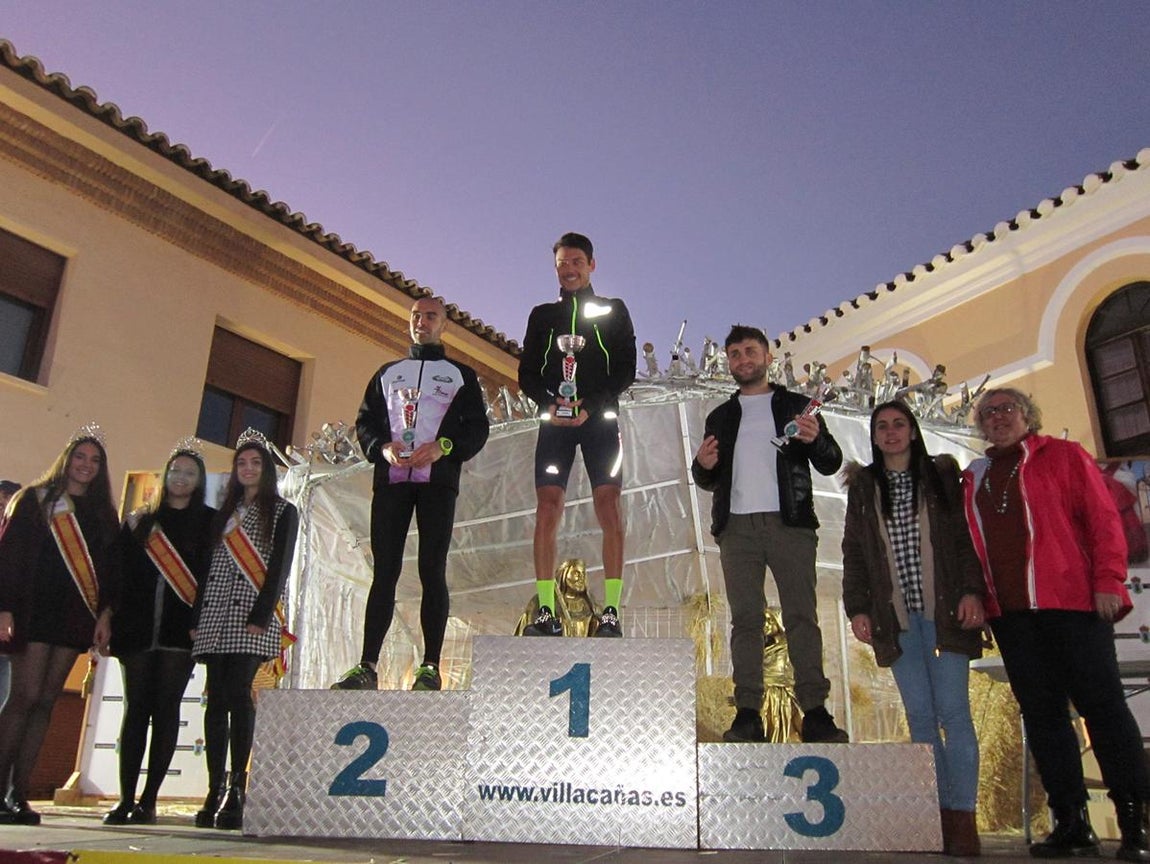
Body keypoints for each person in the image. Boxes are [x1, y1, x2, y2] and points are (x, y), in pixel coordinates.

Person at [964, 388, 1150, 861]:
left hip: (1073, 604)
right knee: (1044, 719)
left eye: (1006, 409)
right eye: (988, 413)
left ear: (1028, 415)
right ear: (980, 426)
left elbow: (1104, 521)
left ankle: (1135, 819)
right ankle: (1071, 820)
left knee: (1103, 709)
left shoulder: (1064, 457)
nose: (998, 417)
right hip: (1012, 615)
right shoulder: (977, 476)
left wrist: (1108, 580)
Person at [691, 324, 848, 744]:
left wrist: (815, 442)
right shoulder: (720, 416)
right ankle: (747, 713)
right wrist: (702, 466)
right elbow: (708, 478)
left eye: (750, 351)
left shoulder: (799, 406)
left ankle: (815, 711)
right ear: (729, 363)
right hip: (737, 529)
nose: (743, 359)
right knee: (744, 621)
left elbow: (831, 462)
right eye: (736, 354)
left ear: (767, 357)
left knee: (801, 617)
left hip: (789, 524)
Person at [841, 400, 985, 856]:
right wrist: (857, 608)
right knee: (921, 718)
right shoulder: (864, 488)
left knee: (954, 714)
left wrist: (970, 591)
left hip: (944, 614)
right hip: (897, 621)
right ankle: (934, 813)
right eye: (882, 426)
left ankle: (962, 816)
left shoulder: (942, 476)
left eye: (899, 424)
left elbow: (964, 537)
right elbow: (855, 554)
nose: (891, 433)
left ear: (913, 430)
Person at [331, 295, 489, 692]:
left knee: (431, 569)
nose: (422, 322)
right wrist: (381, 448)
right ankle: (367, 665)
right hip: (392, 481)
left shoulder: (460, 375)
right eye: (416, 316)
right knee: (385, 571)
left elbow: (477, 428)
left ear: (444, 325)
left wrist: (445, 447)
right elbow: (365, 422)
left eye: (431, 316)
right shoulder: (388, 373)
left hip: (437, 482)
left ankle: (431, 666)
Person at [518, 232, 636, 637]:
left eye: (576, 263)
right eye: (562, 264)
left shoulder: (613, 310)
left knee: (609, 505)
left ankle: (611, 613)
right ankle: (546, 611)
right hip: (556, 423)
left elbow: (625, 370)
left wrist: (592, 405)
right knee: (547, 508)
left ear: (591, 265)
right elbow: (527, 373)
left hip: (600, 420)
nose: (569, 270)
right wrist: (549, 403)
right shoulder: (542, 316)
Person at [0, 426, 119, 825]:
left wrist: (105, 614)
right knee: (24, 697)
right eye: (80, 457)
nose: (86, 465)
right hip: (32, 611)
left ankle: (21, 793)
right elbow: (10, 558)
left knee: (47, 701)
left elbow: (109, 572)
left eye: (94, 460)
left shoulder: (103, 514)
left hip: (74, 615)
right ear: (66, 459)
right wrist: (5, 608)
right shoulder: (34, 500)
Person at [103, 441, 215, 826]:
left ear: (199, 481)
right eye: (175, 470)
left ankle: (149, 800)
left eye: (189, 472)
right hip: (136, 626)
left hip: (180, 630)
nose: (181, 478)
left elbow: (209, 580)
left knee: (166, 710)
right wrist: (108, 615)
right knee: (136, 710)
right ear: (164, 475)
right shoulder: (138, 522)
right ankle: (124, 798)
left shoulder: (210, 522)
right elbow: (117, 575)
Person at [190, 430, 297, 830]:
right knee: (215, 700)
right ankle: (214, 786)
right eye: (242, 463)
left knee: (239, 696)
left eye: (255, 463)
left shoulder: (284, 511)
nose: (248, 469)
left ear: (266, 470)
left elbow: (280, 567)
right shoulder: (224, 512)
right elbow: (205, 570)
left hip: (252, 615)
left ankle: (238, 787)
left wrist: (262, 613)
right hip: (215, 615)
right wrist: (196, 618)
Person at [515, 558, 601, 637]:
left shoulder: (592, 606)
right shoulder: (539, 601)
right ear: (564, 574)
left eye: (583, 574)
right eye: (576, 573)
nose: (581, 578)